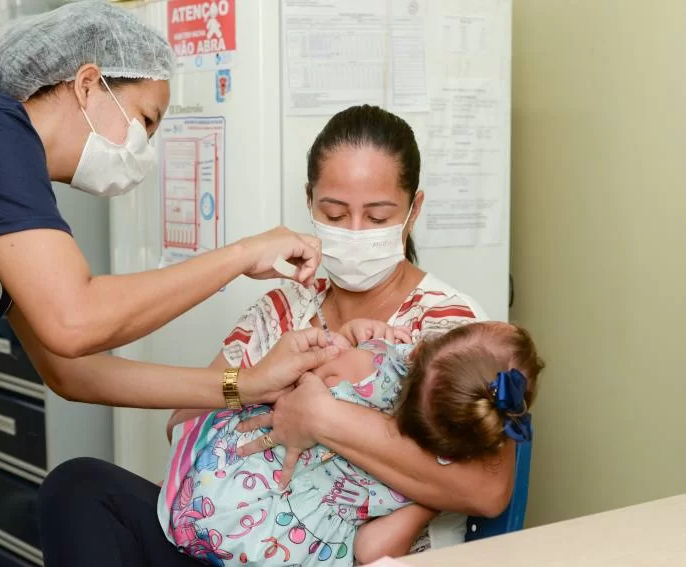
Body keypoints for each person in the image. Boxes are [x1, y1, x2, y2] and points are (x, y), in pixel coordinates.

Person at [0, 3, 340, 565]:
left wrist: (243, 385)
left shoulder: (5, 185)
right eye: (147, 121)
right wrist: (242, 253)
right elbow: (77, 321)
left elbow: (73, 371)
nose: (143, 148)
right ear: (88, 83)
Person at [37, 105, 518, 566]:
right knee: (79, 489)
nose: (354, 231)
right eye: (333, 214)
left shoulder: (449, 328)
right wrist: (262, 384)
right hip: (242, 536)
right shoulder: (286, 306)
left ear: (413, 210)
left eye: (376, 217)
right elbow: (181, 424)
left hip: (341, 555)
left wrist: (319, 417)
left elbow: (488, 490)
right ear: (309, 202)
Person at [160, 321, 543, 566]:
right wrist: (428, 499)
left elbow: (292, 379)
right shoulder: (419, 487)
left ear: (422, 349)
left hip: (209, 490)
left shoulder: (366, 363)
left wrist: (343, 338)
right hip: (271, 552)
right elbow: (371, 550)